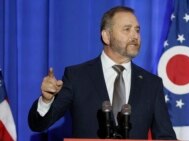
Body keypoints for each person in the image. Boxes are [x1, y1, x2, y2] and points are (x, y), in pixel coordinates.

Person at [28, 6, 177, 140]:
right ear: (106, 36)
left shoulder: (152, 84)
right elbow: (38, 125)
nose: (135, 36)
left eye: (137, 30)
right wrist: (46, 100)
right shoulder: (77, 77)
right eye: (127, 29)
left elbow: (165, 136)